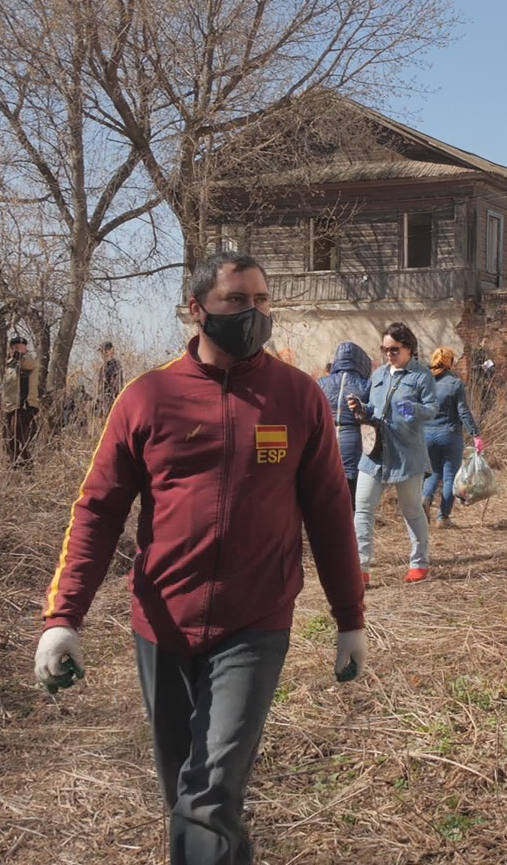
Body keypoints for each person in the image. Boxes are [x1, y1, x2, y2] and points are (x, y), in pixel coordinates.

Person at [34, 251, 366, 865]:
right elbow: (98, 511)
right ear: (197, 309)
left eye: (262, 300)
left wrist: (350, 618)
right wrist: (63, 618)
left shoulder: (296, 398)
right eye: (237, 300)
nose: (254, 313)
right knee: (186, 792)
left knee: (208, 793)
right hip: (162, 622)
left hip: (255, 620)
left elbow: (328, 512)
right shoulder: (147, 397)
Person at [348, 322, 439, 583]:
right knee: (363, 509)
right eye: (384, 349)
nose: (389, 354)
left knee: (411, 510)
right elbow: (373, 411)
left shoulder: (421, 376)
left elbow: (432, 409)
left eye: (394, 349)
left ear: (408, 348)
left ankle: (419, 563)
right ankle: (360, 568)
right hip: (374, 453)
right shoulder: (378, 376)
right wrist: (360, 407)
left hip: (406, 455)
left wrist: (412, 409)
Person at [421, 347, 483, 524]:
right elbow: (463, 412)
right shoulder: (455, 384)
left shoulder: (425, 383)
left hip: (427, 436)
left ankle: (426, 498)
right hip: (450, 435)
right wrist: (475, 434)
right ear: (450, 362)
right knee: (450, 477)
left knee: (432, 473)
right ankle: (444, 517)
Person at [317, 342, 373, 493]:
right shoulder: (366, 385)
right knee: (349, 489)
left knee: (325, 486)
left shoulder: (321, 383)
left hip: (326, 439)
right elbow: (371, 414)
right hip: (353, 441)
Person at [1, 336, 42, 467]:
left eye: (19, 347)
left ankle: (28, 468)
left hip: (24, 407)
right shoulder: (9, 364)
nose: (15, 349)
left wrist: (18, 355)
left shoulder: (28, 361)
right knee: (9, 441)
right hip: (10, 408)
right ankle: (17, 466)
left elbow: (28, 364)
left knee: (17, 440)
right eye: (13, 347)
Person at [98, 342, 124, 414]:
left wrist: (115, 397)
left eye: (105, 351)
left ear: (111, 351)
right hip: (104, 399)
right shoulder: (103, 367)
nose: (103, 354)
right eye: (102, 351)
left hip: (112, 399)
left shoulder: (115, 365)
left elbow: (117, 384)